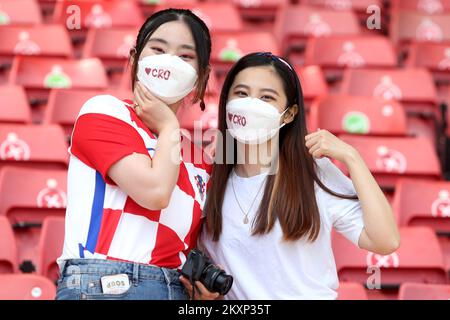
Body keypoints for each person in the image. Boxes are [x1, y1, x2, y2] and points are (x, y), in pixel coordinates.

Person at [198, 52, 400, 300]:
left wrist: (352, 157)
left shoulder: (314, 173)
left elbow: (385, 240)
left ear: (290, 113)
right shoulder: (206, 178)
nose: (251, 104)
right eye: (241, 93)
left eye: (266, 97)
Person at [56, 8, 218, 300]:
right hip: (103, 285)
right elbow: (154, 191)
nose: (169, 62)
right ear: (134, 60)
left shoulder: (201, 162)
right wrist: (169, 127)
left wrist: (201, 291)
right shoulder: (105, 111)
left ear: (201, 77)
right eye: (157, 49)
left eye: (185, 56)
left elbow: (185, 249)